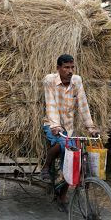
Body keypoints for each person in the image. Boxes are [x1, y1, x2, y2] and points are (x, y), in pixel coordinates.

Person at [42, 54, 99, 211]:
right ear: (58, 68)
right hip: (51, 124)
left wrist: (91, 127)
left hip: (69, 127)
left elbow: (83, 104)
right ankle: (46, 166)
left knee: (76, 158)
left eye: (72, 67)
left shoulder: (77, 81)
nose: (70, 70)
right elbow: (51, 104)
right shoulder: (49, 80)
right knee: (62, 144)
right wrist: (55, 125)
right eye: (66, 67)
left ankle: (62, 195)